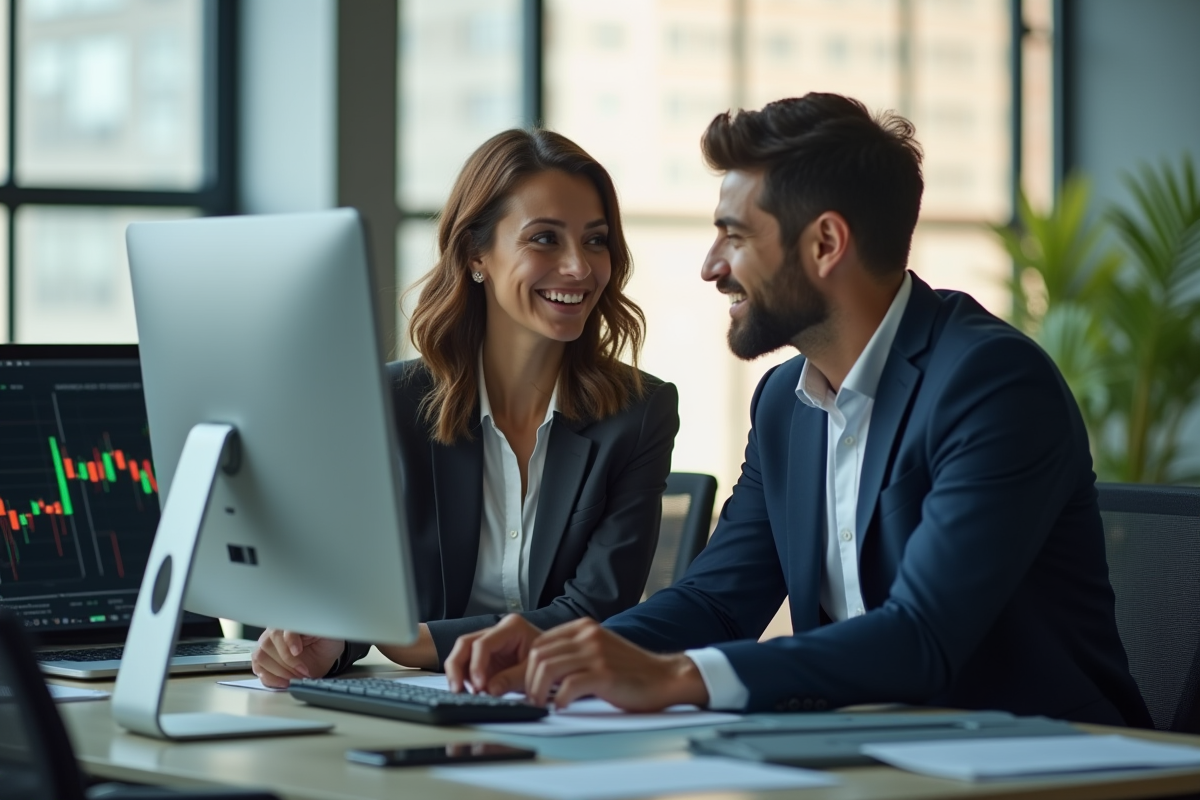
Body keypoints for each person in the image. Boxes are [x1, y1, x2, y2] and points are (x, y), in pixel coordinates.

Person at [442, 94, 1153, 728]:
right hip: (865, 751)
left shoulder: (990, 383)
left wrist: (679, 677)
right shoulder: (786, 401)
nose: (711, 266)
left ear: (825, 244)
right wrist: (559, 649)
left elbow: (923, 637)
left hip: (1043, 758)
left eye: (735, 235)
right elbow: (718, 603)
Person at [251, 129, 679, 687]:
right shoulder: (391, 403)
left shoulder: (639, 413)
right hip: (420, 707)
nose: (579, 266)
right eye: (545, 239)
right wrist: (329, 641)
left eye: (595, 241)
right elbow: (361, 583)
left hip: (562, 706)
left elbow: (596, 610)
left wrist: (418, 641)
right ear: (476, 254)